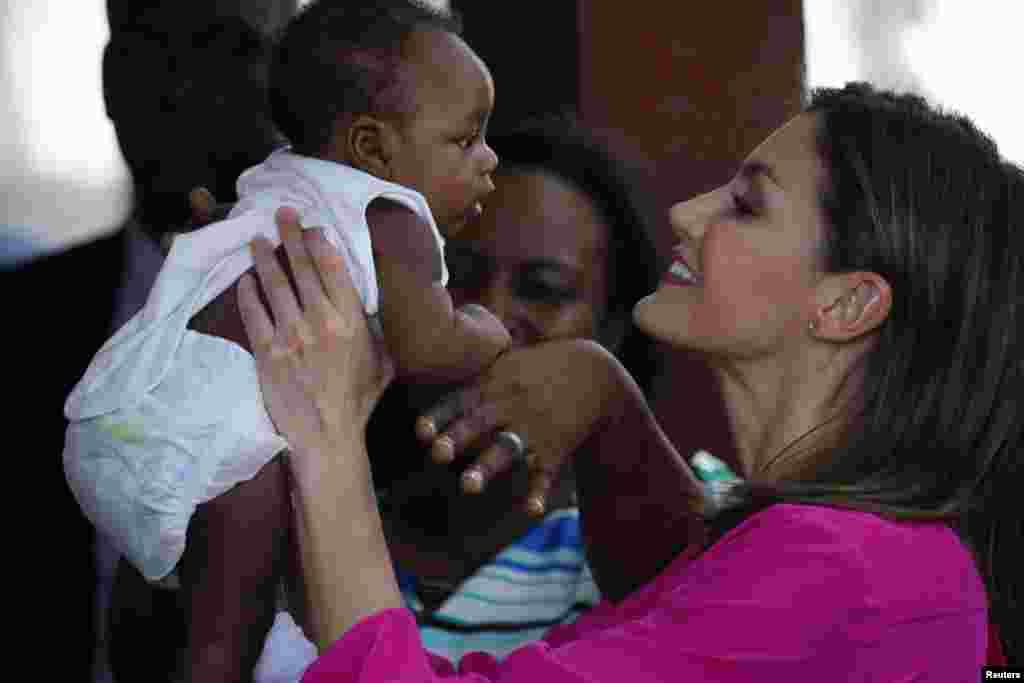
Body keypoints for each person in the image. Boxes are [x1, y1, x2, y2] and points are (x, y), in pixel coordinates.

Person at [235, 81, 1021, 680]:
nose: (686, 213)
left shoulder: (846, 567)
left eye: (746, 205)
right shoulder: (820, 551)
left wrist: (327, 429)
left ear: (847, 302)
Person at [63, 2, 504, 681]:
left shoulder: (275, 181)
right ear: (372, 147)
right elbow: (430, 349)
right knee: (224, 635)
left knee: (161, 596)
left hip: (124, 417)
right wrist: (485, 333)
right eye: (466, 139)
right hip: (234, 449)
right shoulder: (393, 216)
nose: (488, 158)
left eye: (229, 51)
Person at [252, 118, 666, 671]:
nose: (491, 315)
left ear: (613, 327)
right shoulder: (283, 519)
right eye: (453, 277)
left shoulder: (659, 560)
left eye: (544, 290)